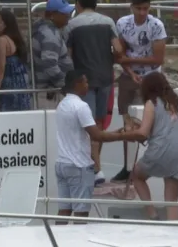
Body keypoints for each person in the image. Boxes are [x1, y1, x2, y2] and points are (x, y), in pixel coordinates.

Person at [55, 70, 130, 223]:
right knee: (81, 214)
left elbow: (92, 133)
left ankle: (56, 242)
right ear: (77, 84)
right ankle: (79, 245)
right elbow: (97, 136)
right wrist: (124, 136)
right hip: (79, 165)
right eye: (85, 82)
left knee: (64, 210)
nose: (88, 86)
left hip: (62, 164)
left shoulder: (62, 105)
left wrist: (114, 133)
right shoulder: (81, 106)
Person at [67, 0, 123, 183]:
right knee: (98, 122)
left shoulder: (72, 25)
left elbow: (68, 55)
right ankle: (95, 165)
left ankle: (95, 168)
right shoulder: (108, 22)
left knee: (87, 124)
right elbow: (118, 49)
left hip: (85, 81)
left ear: (78, 4)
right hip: (106, 78)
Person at [121, 72, 178, 221]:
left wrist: (126, 133)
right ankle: (176, 233)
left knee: (137, 175)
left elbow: (143, 133)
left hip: (159, 150)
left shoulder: (151, 103)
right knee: (171, 201)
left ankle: (151, 213)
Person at [112, 0, 167, 182]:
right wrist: (131, 72)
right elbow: (120, 54)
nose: (143, 12)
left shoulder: (156, 25)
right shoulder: (122, 24)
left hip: (152, 77)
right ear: (132, 7)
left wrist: (131, 61)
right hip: (130, 76)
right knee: (128, 123)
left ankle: (151, 164)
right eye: (139, 8)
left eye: (146, 8)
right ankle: (128, 167)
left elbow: (159, 58)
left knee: (152, 123)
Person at [32, 0, 74, 110]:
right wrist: (64, 85)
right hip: (48, 94)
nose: (68, 16)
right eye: (64, 13)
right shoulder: (50, 34)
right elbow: (49, 63)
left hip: (46, 92)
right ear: (52, 15)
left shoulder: (43, 29)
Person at [0, 10, 31, 112]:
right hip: (20, 88)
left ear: (6, 25)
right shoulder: (15, 41)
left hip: (7, 89)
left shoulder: (2, 41)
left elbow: (1, 69)